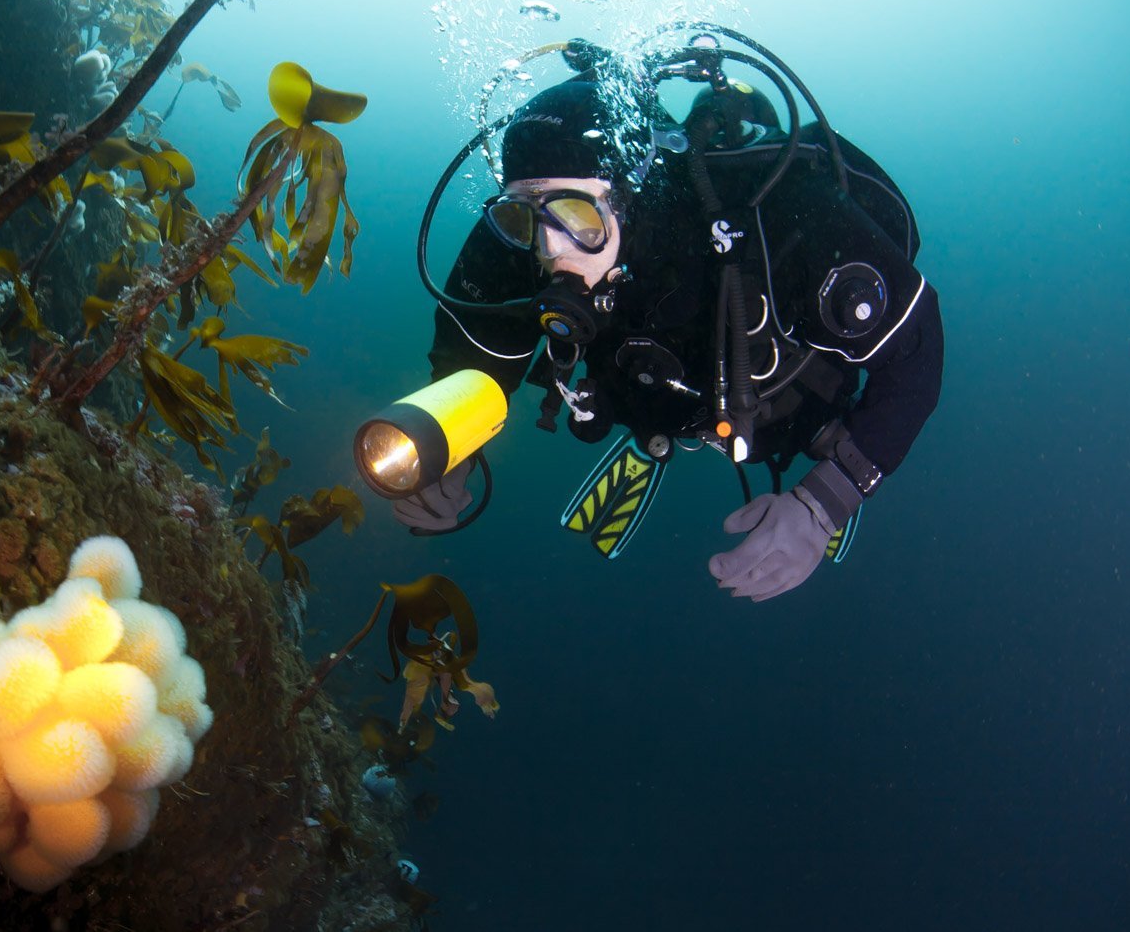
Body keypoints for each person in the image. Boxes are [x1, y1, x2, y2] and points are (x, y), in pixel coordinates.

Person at [391, 34, 942, 602]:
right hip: (637, 393)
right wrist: (453, 442)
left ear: (633, 192)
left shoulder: (788, 216)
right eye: (521, 213)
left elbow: (916, 352)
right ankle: (651, 431)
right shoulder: (521, 228)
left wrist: (825, 501)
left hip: (784, 411)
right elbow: (475, 352)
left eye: (576, 213)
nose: (550, 248)